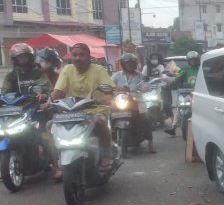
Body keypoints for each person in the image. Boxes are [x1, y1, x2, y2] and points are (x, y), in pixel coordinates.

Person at [48, 43, 116, 172]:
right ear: (71, 57)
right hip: (71, 112)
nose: (78, 58)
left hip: (95, 110)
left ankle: (107, 155)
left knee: (99, 121)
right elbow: (58, 91)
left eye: (82, 55)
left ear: (89, 57)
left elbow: (109, 93)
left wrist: (102, 99)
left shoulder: (99, 70)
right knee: (50, 126)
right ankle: (56, 163)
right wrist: (49, 100)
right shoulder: (67, 69)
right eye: (75, 55)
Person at [2, 43, 57, 178]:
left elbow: (48, 89)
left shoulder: (38, 73)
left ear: (30, 57)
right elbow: (5, 92)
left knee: (45, 137)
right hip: (17, 112)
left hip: (37, 110)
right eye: (20, 57)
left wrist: (44, 95)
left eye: (25, 56)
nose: (23, 59)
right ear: (14, 59)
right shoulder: (11, 76)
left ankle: (57, 166)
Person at [112, 53, 156, 153]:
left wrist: (145, 88)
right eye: (127, 63)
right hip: (121, 101)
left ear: (135, 64)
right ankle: (111, 140)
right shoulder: (117, 76)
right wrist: (113, 90)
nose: (130, 65)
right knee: (109, 114)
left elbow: (146, 85)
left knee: (146, 117)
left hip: (137, 101)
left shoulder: (140, 76)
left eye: (132, 63)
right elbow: (110, 85)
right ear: (123, 64)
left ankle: (150, 142)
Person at [164, 51, 200, 136]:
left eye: (195, 60)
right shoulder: (186, 70)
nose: (193, 62)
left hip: (199, 94)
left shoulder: (201, 70)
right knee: (179, 107)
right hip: (186, 93)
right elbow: (178, 78)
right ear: (188, 61)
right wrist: (172, 83)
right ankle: (174, 128)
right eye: (191, 60)